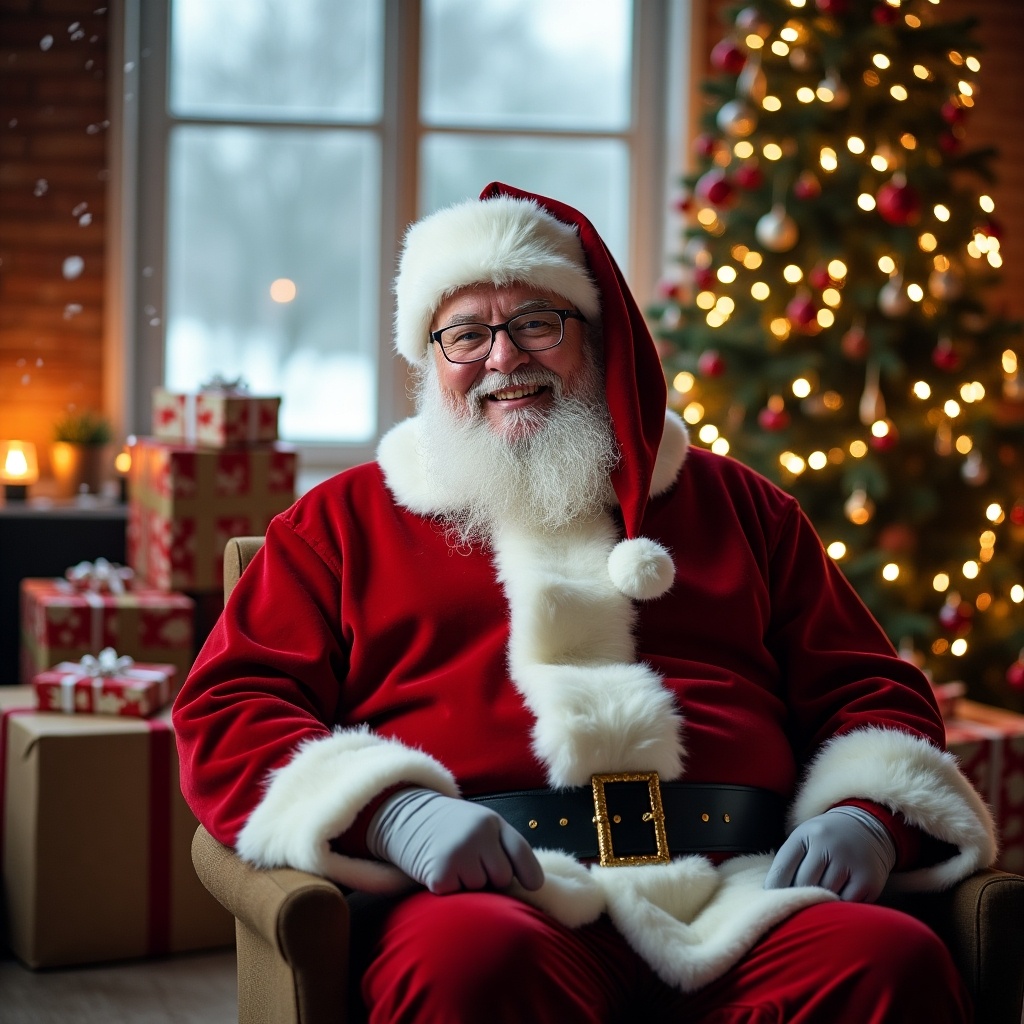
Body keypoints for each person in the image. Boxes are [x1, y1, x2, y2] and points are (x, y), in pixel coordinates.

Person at [173, 182, 996, 1023]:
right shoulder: (338, 523)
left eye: (536, 322)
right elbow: (233, 708)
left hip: (747, 886)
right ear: (430, 361)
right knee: (466, 970)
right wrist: (393, 813)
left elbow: (869, 689)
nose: (503, 358)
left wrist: (866, 811)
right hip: (498, 895)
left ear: (596, 341)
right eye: (465, 333)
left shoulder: (743, 508)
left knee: (890, 964)